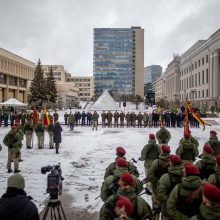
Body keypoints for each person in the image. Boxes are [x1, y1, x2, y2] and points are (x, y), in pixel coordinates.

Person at [157, 155, 183, 219]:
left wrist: (170, 200)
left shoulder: (165, 177)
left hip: (167, 209)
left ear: (171, 163)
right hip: (182, 210)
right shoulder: (185, 175)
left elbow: (160, 195)